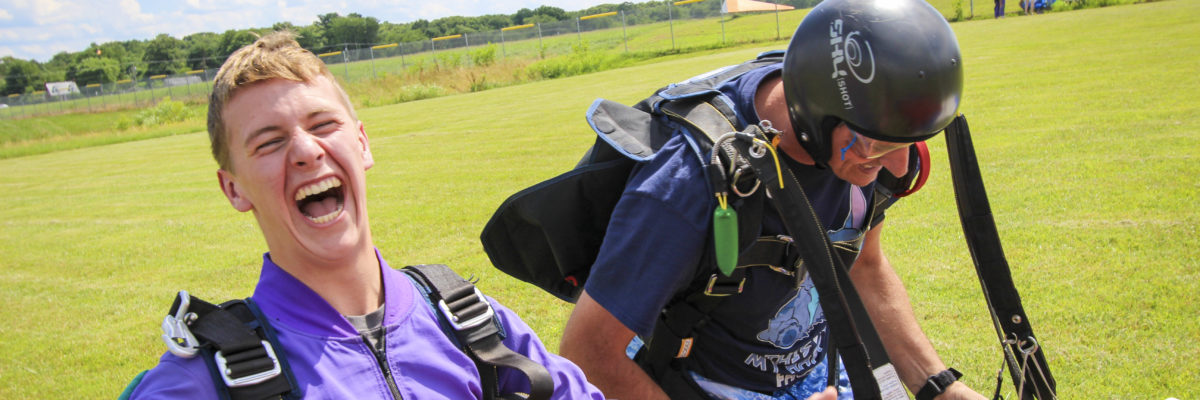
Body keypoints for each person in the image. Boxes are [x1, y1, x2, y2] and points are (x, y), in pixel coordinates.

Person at [125, 31, 603, 400]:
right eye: (269, 142)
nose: (307, 151)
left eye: (323, 124)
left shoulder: (471, 323)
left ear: (362, 143)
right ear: (233, 189)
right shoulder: (207, 381)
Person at [558, 0, 989, 399]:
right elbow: (588, 354)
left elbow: (866, 267)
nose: (898, 168)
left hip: (821, 373)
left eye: (911, 144)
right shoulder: (686, 184)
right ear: (818, 114)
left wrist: (940, 387)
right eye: (879, 147)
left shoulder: (861, 130)